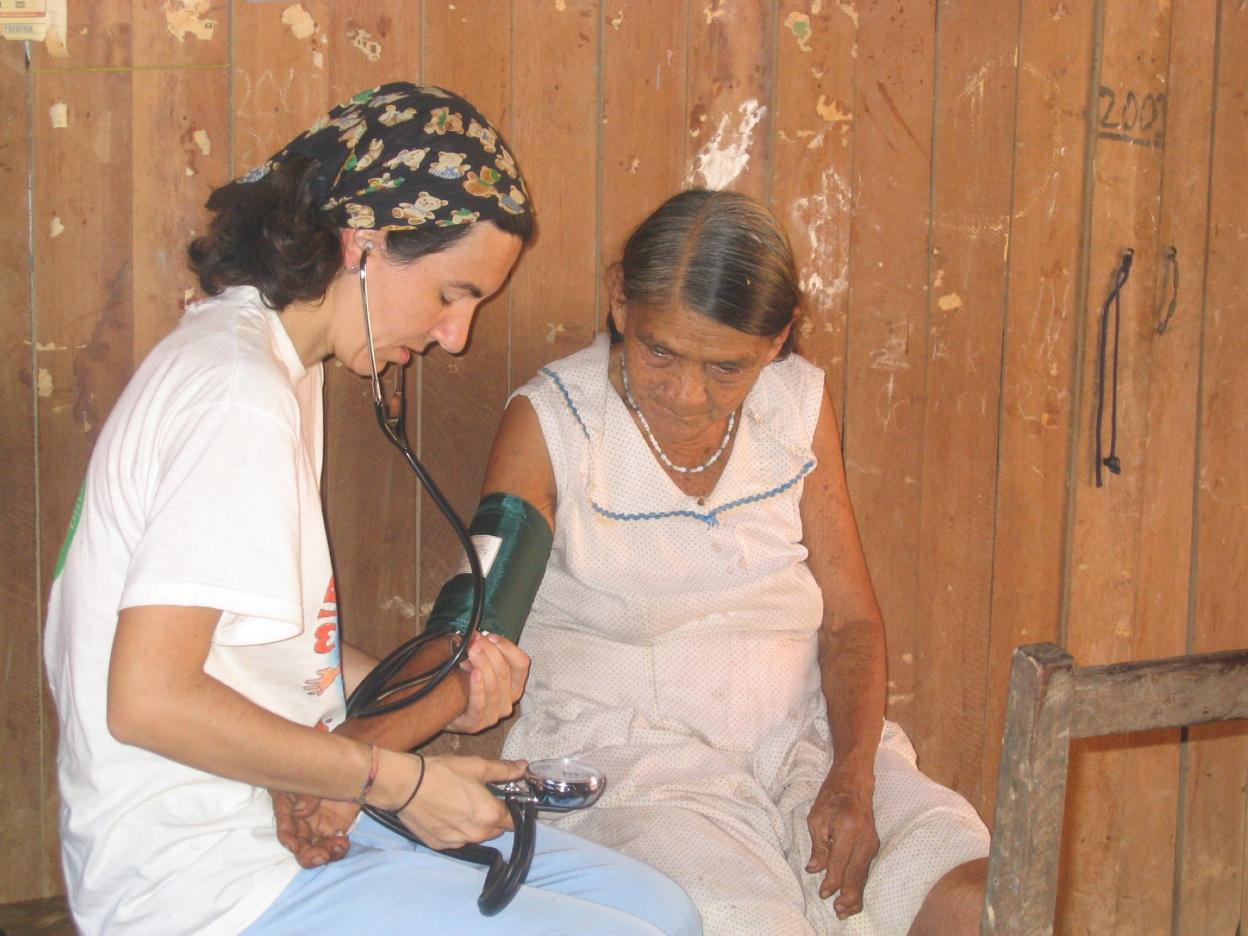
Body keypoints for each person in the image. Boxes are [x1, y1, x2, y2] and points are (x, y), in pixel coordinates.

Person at [42, 83, 700, 936]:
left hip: (296, 827)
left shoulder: (276, 363)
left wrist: (444, 685)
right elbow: (147, 699)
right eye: (449, 294)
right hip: (205, 882)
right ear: (362, 243)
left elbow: (273, 655)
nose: (455, 336)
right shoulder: (236, 396)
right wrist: (400, 783)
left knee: (661, 910)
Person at [480, 189, 991, 935]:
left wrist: (852, 774)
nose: (688, 396)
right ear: (620, 300)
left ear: (778, 338)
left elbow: (849, 618)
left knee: (978, 899)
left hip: (806, 740)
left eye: (727, 368)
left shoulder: (795, 404)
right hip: (635, 767)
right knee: (744, 922)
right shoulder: (553, 424)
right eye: (660, 352)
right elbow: (474, 624)